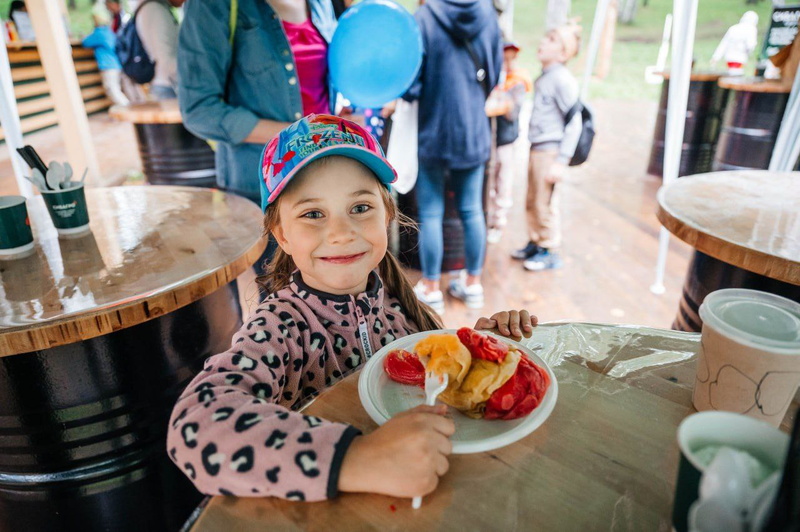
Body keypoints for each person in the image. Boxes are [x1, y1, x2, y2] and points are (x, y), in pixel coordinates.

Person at [166, 114, 538, 501]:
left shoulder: (405, 309)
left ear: (387, 214)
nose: (341, 233)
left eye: (360, 207)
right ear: (282, 235)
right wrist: (356, 459)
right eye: (313, 214)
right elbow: (195, 424)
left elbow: (433, 394)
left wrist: (479, 353)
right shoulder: (279, 328)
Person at [403, 0, 503, 314]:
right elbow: (495, 73)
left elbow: (411, 83)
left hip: (433, 128)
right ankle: (473, 285)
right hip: (473, 128)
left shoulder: (422, 17)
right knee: (472, 210)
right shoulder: (487, 13)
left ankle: (431, 287)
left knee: (430, 212)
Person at [512, 22, 581, 272]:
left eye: (552, 40)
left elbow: (575, 122)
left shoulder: (562, 80)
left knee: (545, 202)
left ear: (564, 54)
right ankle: (536, 240)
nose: (543, 42)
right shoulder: (546, 77)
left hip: (550, 151)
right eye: (546, 37)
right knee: (533, 198)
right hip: (537, 148)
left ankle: (550, 249)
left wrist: (561, 160)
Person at [487, 41, 531, 245]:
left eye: (510, 57)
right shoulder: (493, 77)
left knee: (503, 178)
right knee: (491, 180)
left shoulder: (517, 81)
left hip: (506, 139)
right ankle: (489, 218)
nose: (507, 61)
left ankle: (499, 222)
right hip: (490, 138)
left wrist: (500, 97)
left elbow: (512, 112)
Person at [82, 3, 129, 106]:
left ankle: (127, 109)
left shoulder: (99, 33)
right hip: (116, 65)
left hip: (108, 65)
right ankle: (124, 111)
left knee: (113, 90)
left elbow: (85, 43)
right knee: (115, 89)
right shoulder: (109, 31)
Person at [137, 0, 184, 100]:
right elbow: (165, 58)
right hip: (168, 85)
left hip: (167, 82)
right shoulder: (154, 10)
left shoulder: (159, 8)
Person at [710, 11, 759, 76]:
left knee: (731, 74)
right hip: (740, 58)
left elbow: (724, 43)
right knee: (735, 76)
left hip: (729, 57)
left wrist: (716, 57)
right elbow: (750, 45)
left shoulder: (733, 28)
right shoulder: (751, 29)